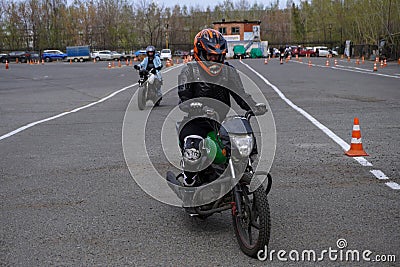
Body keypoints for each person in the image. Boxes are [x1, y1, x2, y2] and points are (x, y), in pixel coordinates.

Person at [176, 28, 266, 186]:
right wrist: (194, 105)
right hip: (196, 122)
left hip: (222, 121)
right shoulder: (189, 71)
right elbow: (183, 99)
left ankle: (245, 172)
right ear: (201, 54)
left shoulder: (229, 72)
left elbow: (240, 94)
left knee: (243, 142)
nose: (214, 59)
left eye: (218, 56)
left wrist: (253, 106)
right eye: (210, 55)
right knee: (192, 149)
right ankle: (189, 182)